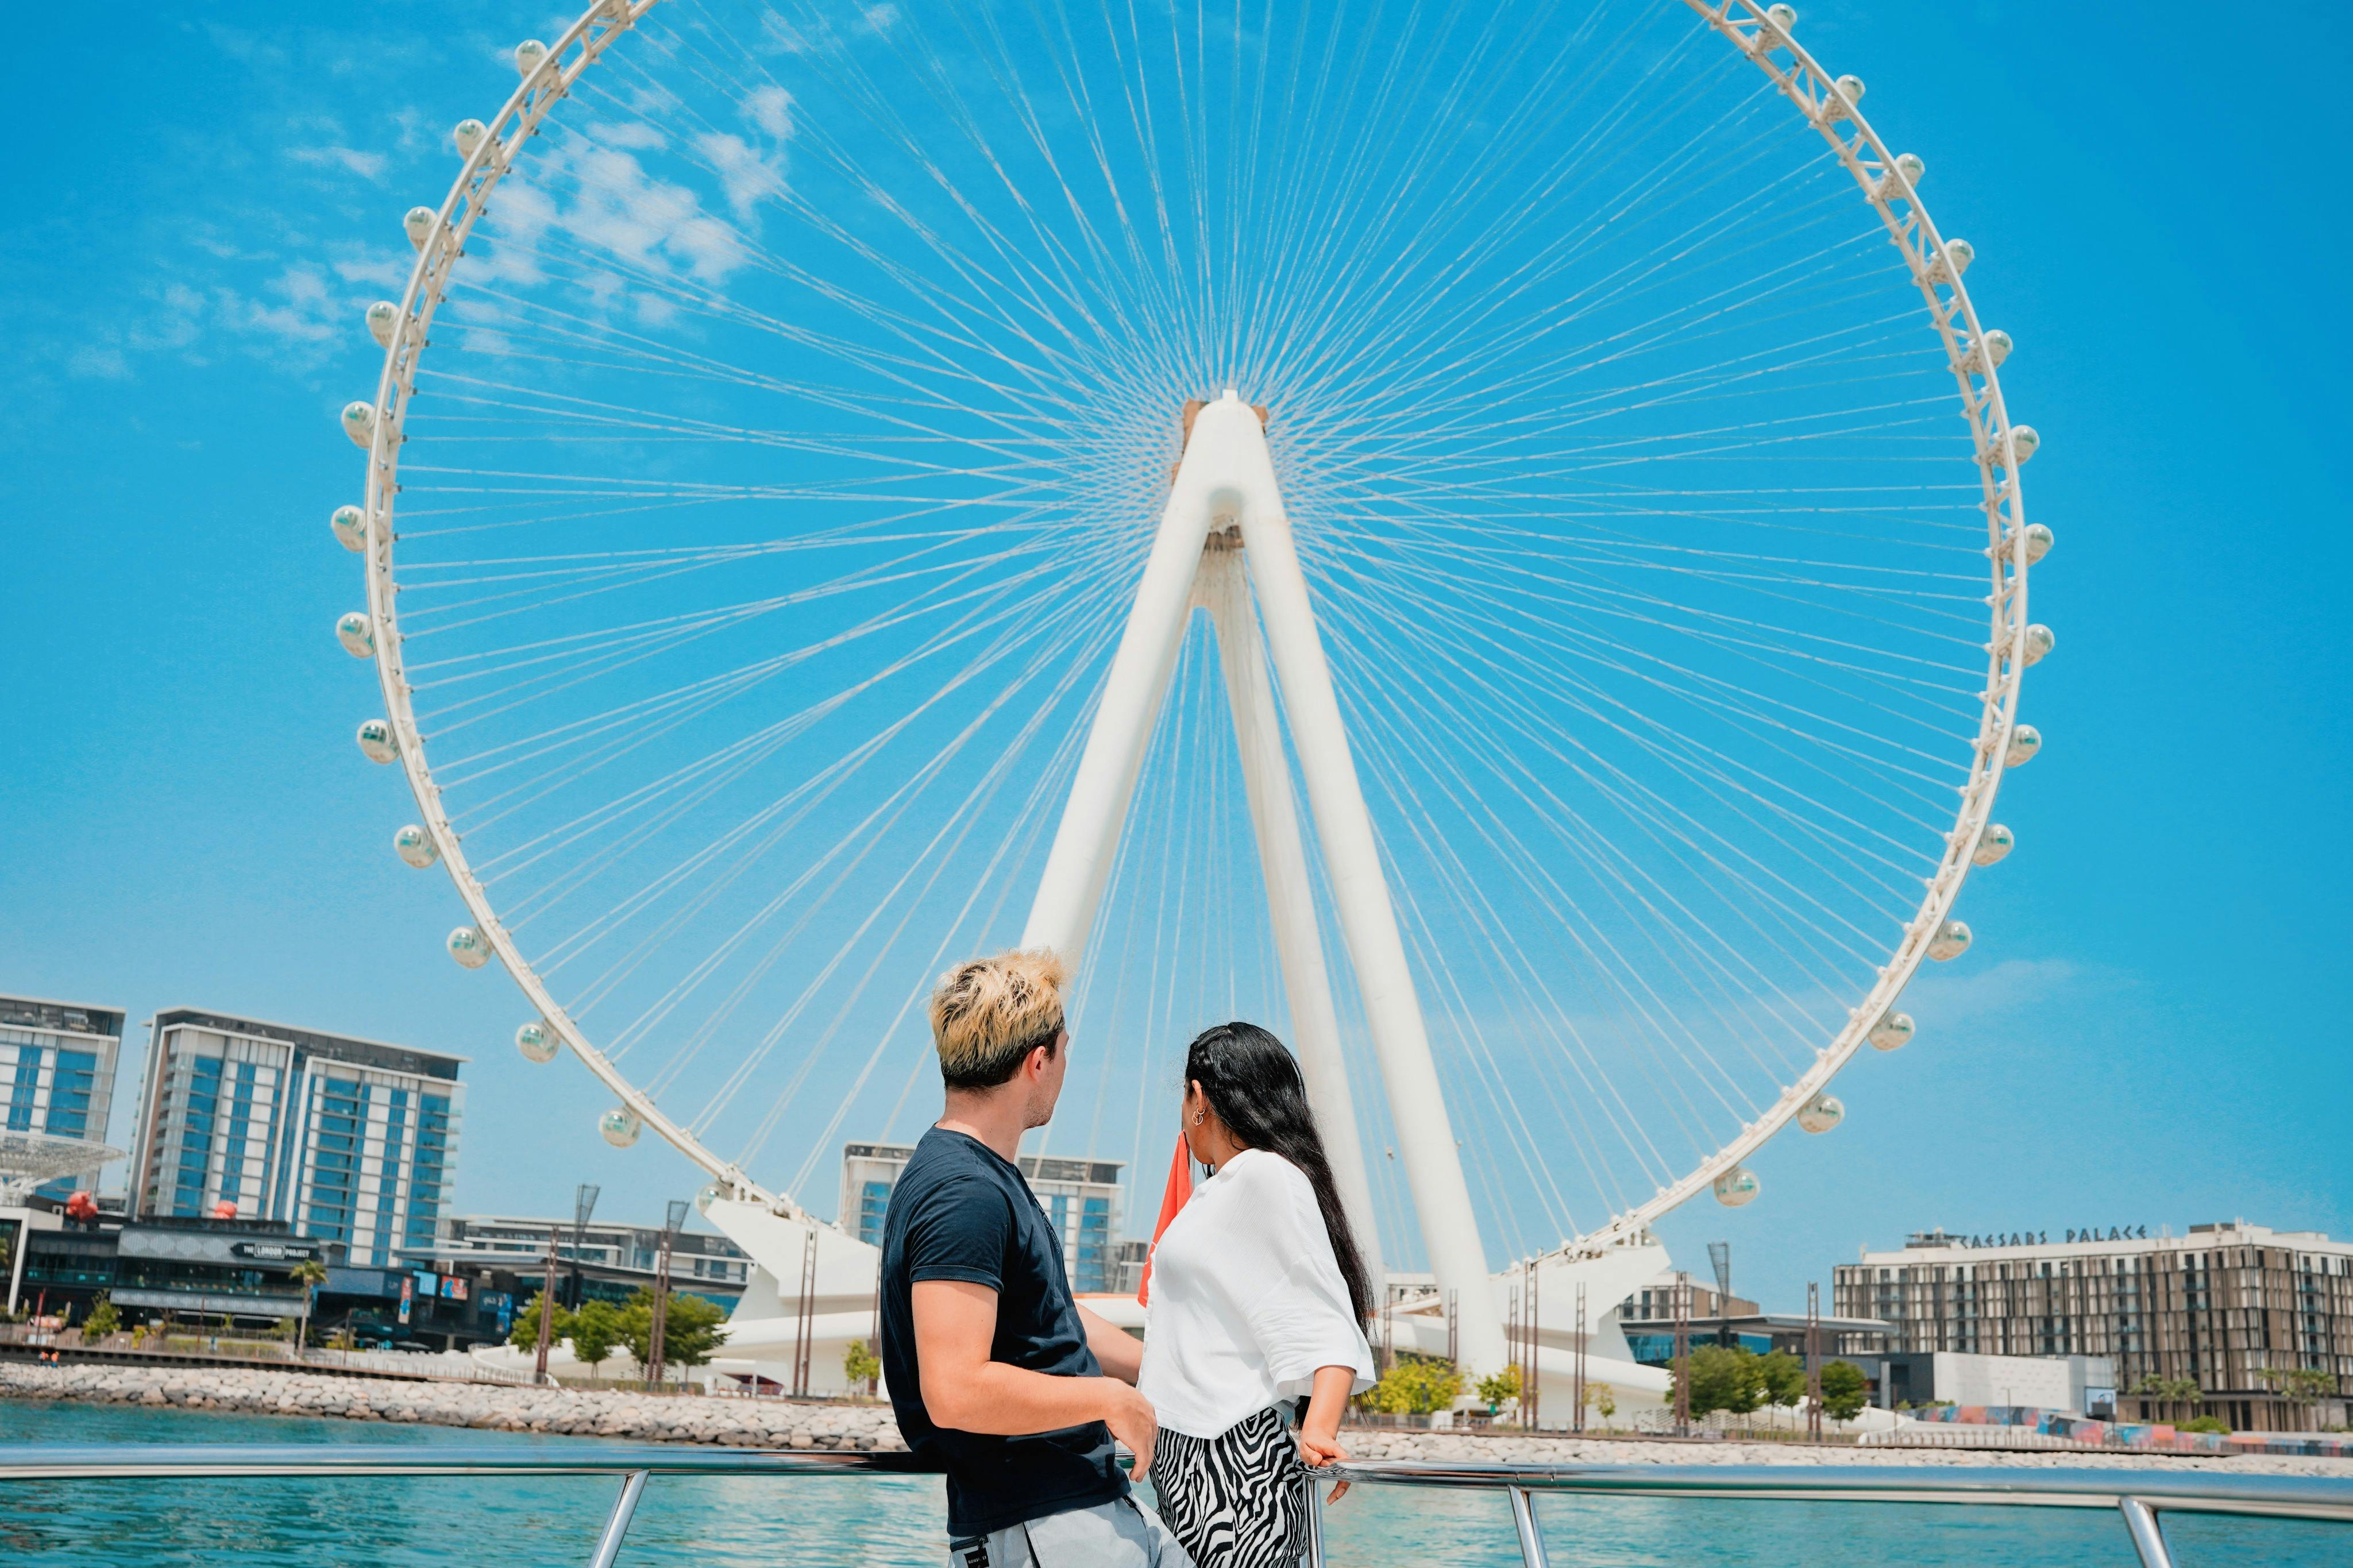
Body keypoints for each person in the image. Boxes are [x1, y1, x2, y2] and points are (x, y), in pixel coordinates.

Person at [880, 948, 1194, 1568]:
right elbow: (955, 1389)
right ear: (1039, 1060)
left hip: (1076, 1514)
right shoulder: (964, 1192)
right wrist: (1108, 1399)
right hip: (1046, 1526)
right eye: (1066, 1052)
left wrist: (1173, 1370)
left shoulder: (981, 1178)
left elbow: (1051, 1316)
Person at [1139, 1022, 1378, 1567]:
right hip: (1191, 1463)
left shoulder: (1265, 1177)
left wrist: (1319, 1427)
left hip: (1234, 1465)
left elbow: (1327, 1321)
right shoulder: (1220, 1190)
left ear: (1198, 1097)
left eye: (1183, 1100)